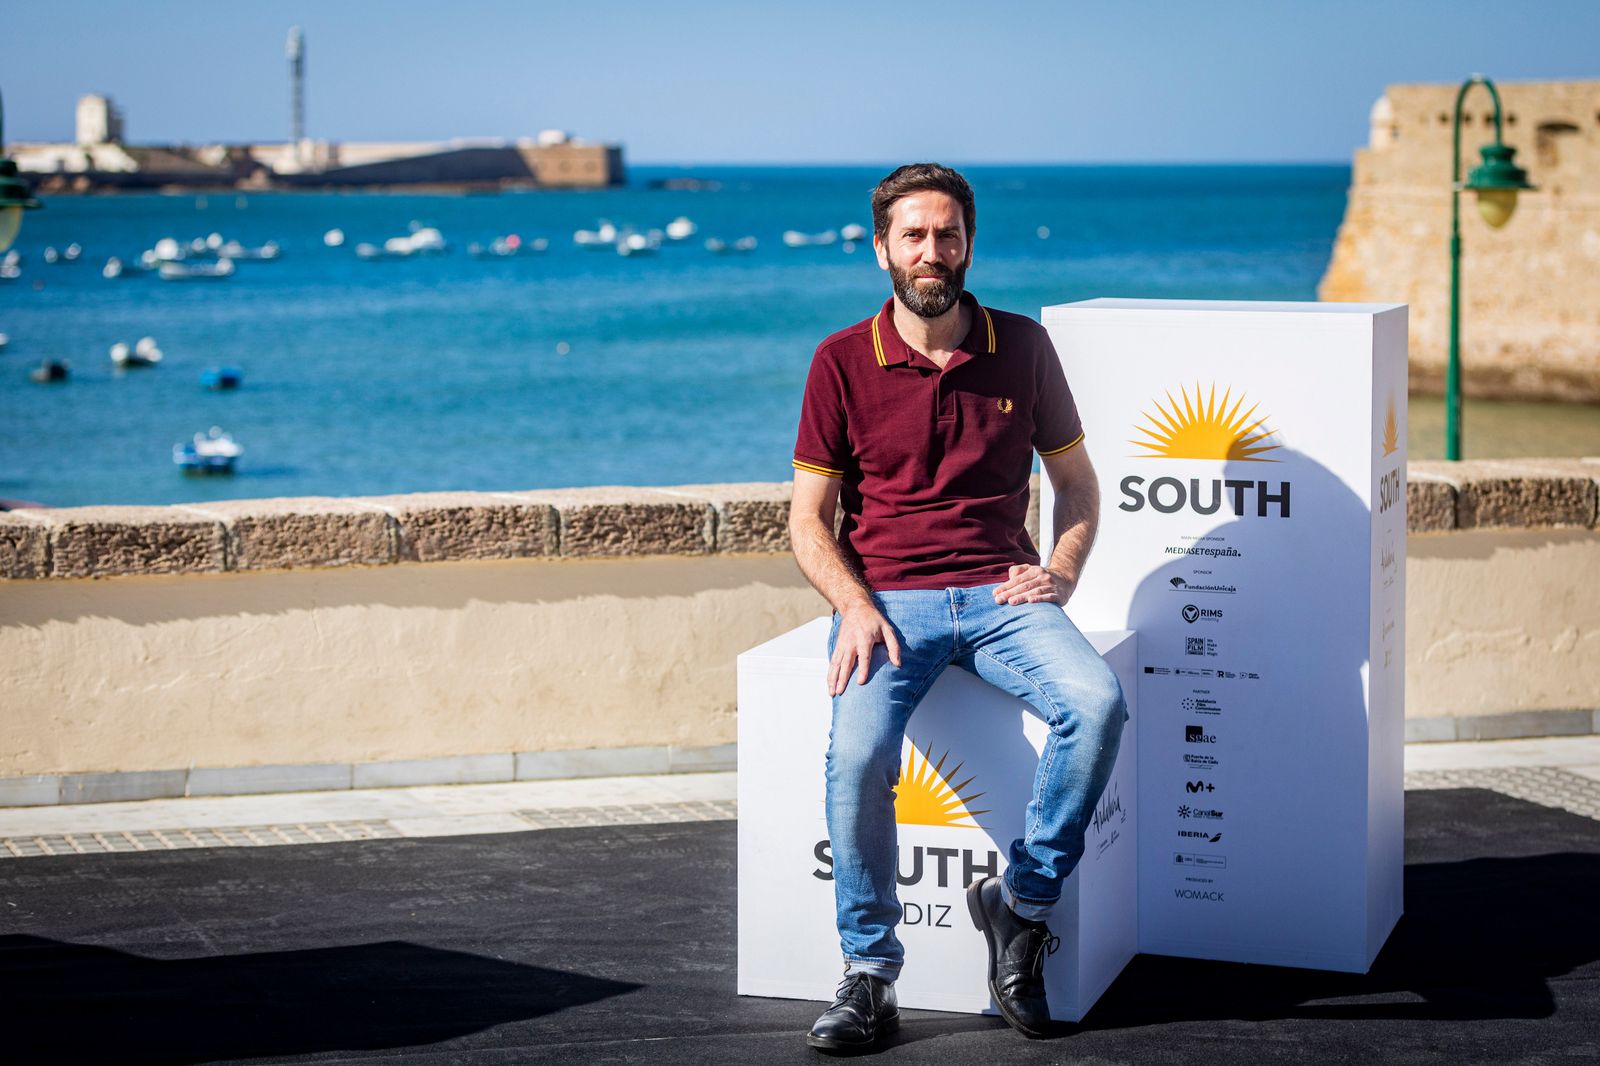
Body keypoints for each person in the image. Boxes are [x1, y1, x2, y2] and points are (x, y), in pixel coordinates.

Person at [788, 163, 1127, 1051]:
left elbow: (1080, 486)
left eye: (947, 234)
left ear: (969, 244)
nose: (931, 252)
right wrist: (854, 605)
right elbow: (807, 522)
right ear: (881, 251)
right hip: (889, 601)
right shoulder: (839, 362)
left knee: (1097, 704)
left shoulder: (1021, 346)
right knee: (857, 755)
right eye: (914, 236)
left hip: (1001, 592)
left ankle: (1020, 906)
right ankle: (870, 975)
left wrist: (1060, 569)